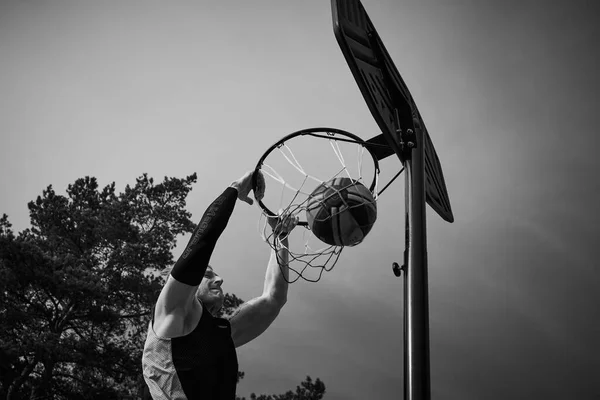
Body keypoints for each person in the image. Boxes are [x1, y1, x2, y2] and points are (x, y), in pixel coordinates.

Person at [142, 170, 298, 400]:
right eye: (207, 274)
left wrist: (281, 237)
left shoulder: (220, 336)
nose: (219, 279)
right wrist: (236, 188)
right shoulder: (170, 314)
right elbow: (200, 246)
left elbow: (273, 299)